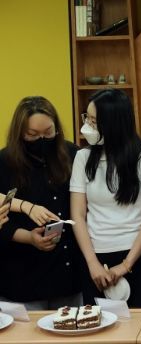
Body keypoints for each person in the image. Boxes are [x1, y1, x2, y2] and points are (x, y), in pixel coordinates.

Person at [71, 89, 141, 307]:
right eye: (87, 118)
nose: (87, 127)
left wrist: (126, 265)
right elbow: (77, 214)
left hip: (140, 254)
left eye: (94, 122)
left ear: (114, 124)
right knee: (98, 324)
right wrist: (92, 263)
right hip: (96, 256)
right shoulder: (83, 157)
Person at [0, 96, 82, 309]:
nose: (42, 139)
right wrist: (29, 237)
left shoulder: (73, 154)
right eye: (32, 135)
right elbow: (3, 218)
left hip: (68, 273)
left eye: (48, 132)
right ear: (20, 133)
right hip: (22, 277)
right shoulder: (5, 162)